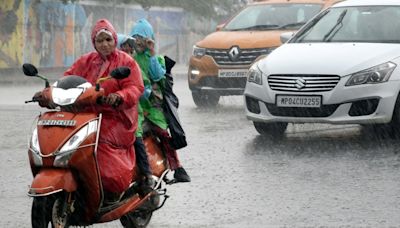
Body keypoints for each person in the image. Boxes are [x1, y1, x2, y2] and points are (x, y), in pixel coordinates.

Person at [34, 19, 144, 203]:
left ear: (114, 40)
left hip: (115, 117)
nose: (104, 44)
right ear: (94, 42)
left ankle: (110, 187)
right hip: (86, 115)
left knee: (96, 141)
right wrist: (48, 93)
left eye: (108, 40)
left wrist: (119, 97)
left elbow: (134, 87)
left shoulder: (126, 62)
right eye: (100, 41)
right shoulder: (86, 61)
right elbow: (66, 80)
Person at [129, 18, 190, 183]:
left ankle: (177, 167)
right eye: (135, 38)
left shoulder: (156, 58)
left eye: (142, 38)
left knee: (163, 134)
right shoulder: (129, 58)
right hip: (135, 105)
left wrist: (152, 54)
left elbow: (157, 75)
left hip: (153, 107)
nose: (139, 42)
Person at [117, 33, 154, 192]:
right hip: (107, 113)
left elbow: (145, 87)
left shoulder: (132, 66)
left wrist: (135, 93)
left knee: (135, 137)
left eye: (129, 48)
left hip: (131, 112)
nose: (128, 50)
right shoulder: (99, 65)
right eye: (124, 47)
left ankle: (147, 174)